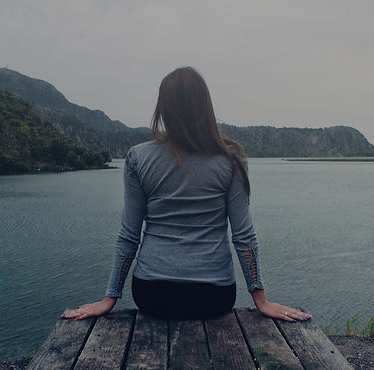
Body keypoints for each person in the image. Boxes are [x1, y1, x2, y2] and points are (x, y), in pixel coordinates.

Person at [62, 67, 311, 322]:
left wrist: (110, 297)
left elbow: (129, 235)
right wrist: (261, 300)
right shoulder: (231, 159)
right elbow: (244, 236)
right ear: (205, 106)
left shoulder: (138, 157)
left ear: (163, 109)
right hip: (214, 296)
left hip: (151, 294)